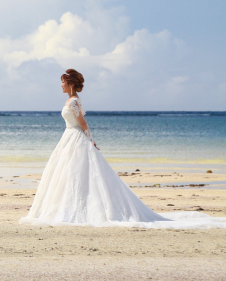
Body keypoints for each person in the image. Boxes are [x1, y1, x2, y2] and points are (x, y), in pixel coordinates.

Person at [19, 69, 226, 228]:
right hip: (68, 138)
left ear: (70, 83)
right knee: (67, 175)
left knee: (78, 174)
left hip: (76, 137)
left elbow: (83, 123)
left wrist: (90, 140)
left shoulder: (73, 101)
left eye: (63, 83)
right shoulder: (71, 100)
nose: (61, 86)